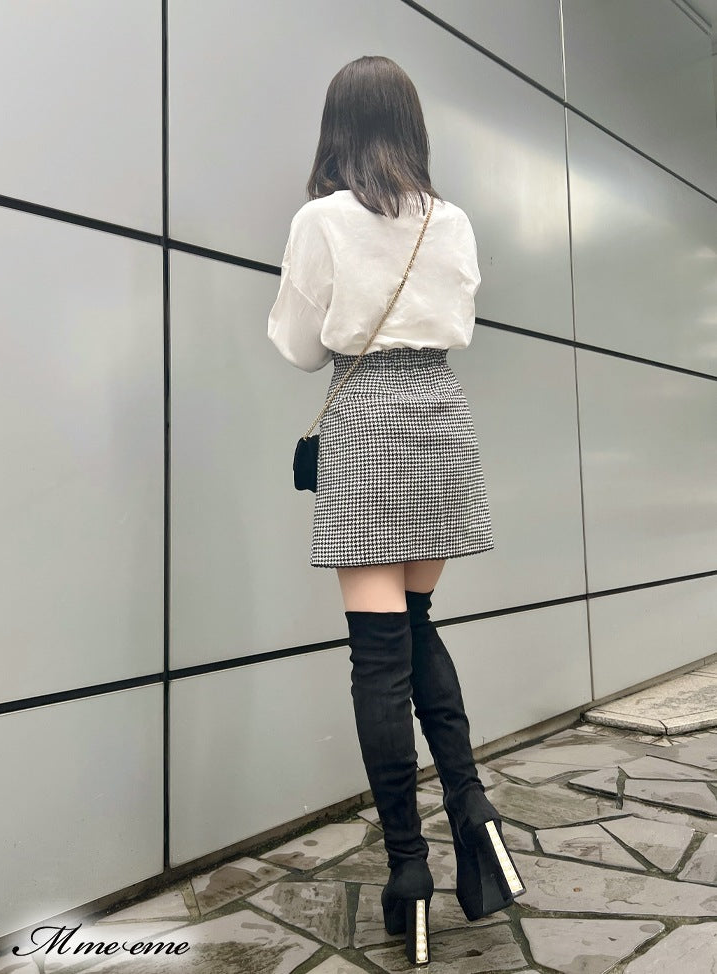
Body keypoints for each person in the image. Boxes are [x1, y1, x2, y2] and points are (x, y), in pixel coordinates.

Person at [267, 55, 525, 967]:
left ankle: (410, 869)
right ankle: (472, 805)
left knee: (379, 657)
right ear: (412, 127)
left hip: (369, 421)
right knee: (415, 626)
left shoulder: (321, 220)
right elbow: (460, 318)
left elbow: (299, 346)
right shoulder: (451, 220)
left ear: (338, 128)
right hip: (441, 418)